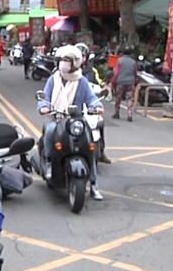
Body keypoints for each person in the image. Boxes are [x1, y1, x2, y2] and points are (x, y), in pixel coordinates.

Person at [36, 46, 106, 200]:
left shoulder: (82, 81)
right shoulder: (53, 79)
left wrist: (97, 107)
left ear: (74, 63)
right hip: (56, 118)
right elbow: (44, 98)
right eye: (61, 60)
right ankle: (48, 161)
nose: (63, 64)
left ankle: (94, 185)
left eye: (66, 60)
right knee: (49, 131)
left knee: (91, 147)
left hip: (77, 121)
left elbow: (91, 98)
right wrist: (44, 107)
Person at [74, 43, 111, 164]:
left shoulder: (92, 71)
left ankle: (101, 151)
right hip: (71, 105)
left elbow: (99, 84)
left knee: (99, 124)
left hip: (89, 105)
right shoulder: (68, 70)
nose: (81, 59)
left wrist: (104, 88)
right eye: (78, 56)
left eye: (83, 56)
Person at [110, 47, 138, 121]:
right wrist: (136, 80)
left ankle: (116, 113)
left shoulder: (119, 61)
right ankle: (129, 114)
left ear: (122, 53)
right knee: (130, 98)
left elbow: (116, 73)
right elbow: (135, 72)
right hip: (130, 82)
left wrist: (113, 81)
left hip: (120, 82)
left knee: (118, 98)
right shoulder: (133, 62)